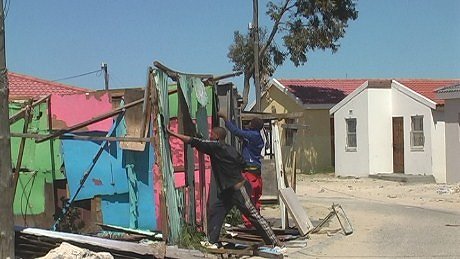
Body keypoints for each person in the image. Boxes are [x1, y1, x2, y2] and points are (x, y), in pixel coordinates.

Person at [166, 126, 283, 249]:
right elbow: (243, 164)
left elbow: (193, 141)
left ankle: (274, 242)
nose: (210, 136)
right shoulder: (230, 149)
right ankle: (213, 242)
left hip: (238, 190)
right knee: (216, 212)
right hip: (228, 190)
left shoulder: (216, 147)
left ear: (217, 136)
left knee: (253, 215)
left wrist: (173, 134)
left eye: (212, 134)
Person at [218, 112, 265, 228]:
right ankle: (256, 220)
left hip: (250, 172)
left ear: (253, 126)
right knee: (255, 199)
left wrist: (225, 118)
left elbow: (236, 131)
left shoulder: (252, 135)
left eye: (250, 123)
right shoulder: (257, 137)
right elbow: (242, 136)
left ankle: (249, 223)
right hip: (257, 173)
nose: (248, 124)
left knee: (247, 198)